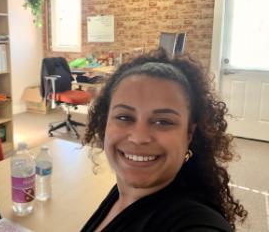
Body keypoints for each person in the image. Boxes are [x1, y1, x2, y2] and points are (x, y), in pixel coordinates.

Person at [81, 49, 247, 232]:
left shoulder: (193, 222)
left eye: (163, 121)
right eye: (124, 117)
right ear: (105, 122)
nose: (139, 138)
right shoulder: (124, 191)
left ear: (189, 134)